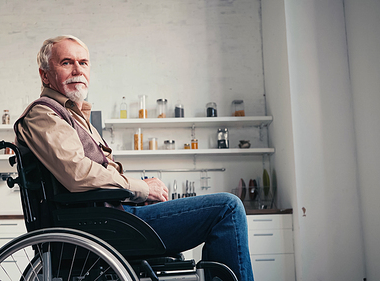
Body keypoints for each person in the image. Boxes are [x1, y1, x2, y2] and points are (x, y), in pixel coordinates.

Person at [15, 35, 254, 281]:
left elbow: (98, 170)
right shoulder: (44, 114)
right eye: (67, 62)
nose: (78, 70)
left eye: (83, 63)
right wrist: (140, 189)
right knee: (227, 208)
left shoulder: (73, 115)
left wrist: (139, 189)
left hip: (107, 219)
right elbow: (78, 174)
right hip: (100, 227)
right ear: (45, 74)